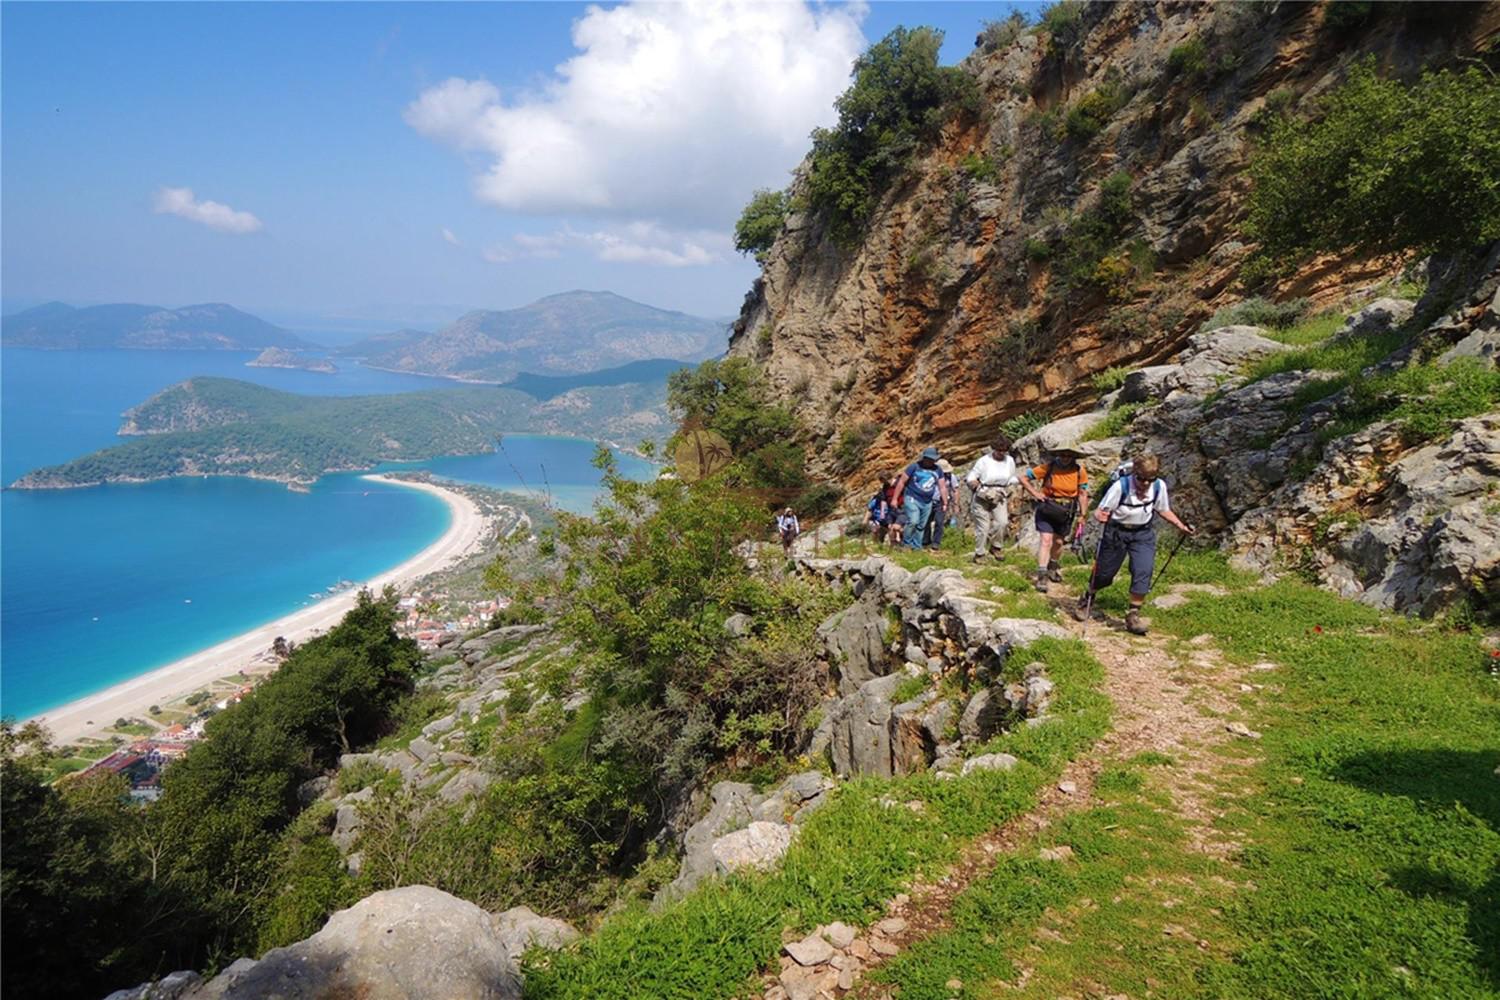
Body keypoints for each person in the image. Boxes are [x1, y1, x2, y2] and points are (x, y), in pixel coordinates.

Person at [1073, 453, 1194, 635]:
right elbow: (1100, 511)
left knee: (1143, 569)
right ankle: (1088, 595)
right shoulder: (1120, 486)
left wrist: (1180, 526)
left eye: (1150, 479)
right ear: (1134, 473)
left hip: (1142, 533)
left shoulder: (1158, 487)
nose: (1145, 483)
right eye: (1141, 478)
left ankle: (1133, 614)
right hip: (1116, 532)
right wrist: (1100, 516)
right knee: (1104, 574)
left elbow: (1163, 509)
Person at [1020, 446, 1090, 593]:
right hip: (1048, 507)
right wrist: (1035, 493)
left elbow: (1083, 493)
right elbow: (1024, 478)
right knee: (1046, 540)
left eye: (1068, 456)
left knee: (1058, 542)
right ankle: (1042, 575)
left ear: (1073, 457)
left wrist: (1083, 515)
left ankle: (1053, 565)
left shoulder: (1079, 471)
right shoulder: (1048, 467)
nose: (1064, 458)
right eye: (1062, 455)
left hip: (1067, 510)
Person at [965, 434, 1020, 563]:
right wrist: (979, 488)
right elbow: (971, 477)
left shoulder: (1009, 461)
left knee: (1002, 522)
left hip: (1000, 493)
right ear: (993, 449)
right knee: (983, 526)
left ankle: (996, 546)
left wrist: (1020, 481)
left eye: (1004, 451)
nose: (1001, 453)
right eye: (999, 450)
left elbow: (1011, 477)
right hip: (983, 493)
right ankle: (979, 553)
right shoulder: (984, 461)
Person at [893, 447, 948, 550]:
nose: (930, 461)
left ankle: (917, 546)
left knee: (921, 525)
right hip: (912, 497)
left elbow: (942, 487)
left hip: (927, 501)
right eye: (928, 459)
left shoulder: (938, 470)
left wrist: (945, 502)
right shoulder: (914, 467)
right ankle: (906, 543)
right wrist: (895, 499)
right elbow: (901, 482)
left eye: (933, 459)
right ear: (924, 458)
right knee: (913, 521)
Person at [926, 459, 960, 548]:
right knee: (926, 521)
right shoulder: (931, 475)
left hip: (942, 501)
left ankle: (936, 542)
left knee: (939, 521)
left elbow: (955, 490)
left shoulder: (951, 477)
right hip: (929, 500)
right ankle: (926, 541)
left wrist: (955, 504)